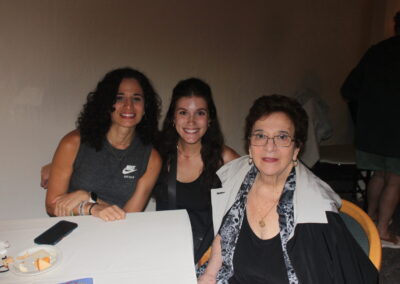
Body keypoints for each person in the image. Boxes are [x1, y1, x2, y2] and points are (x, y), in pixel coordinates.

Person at [198, 95, 378, 284]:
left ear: (296, 148)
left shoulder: (315, 212)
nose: (270, 146)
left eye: (282, 137)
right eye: (260, 135)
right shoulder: (236, 180)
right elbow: (223, 235)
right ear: (250, 145)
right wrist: (209, 275)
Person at [45, 67, 162, 221]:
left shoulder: (151, 159)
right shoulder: (72, 143)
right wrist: (91, 207)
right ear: (106, 104)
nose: (128, 105)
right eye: (119, 97)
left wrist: (89, 197)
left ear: (145, 107)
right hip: (71, 232)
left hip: (116, 235)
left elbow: (128, 218)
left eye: (136, 98)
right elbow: (52, 206)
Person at [154, 78, 239, 263]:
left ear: (209, 119)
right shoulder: (158, 156)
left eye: (199, 113)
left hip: (208, 257)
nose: (191, 121)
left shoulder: (224, 159)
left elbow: (241, 214)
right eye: (183, 112)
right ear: (173, 118)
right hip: (164, 252)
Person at [341, 11, 400, 247]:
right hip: (397, 130)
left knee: (378, 175)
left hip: (371, 129)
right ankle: (383, 230)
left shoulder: (376, 51)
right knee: (395, 179)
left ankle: (371, 218)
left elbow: (348, 89)